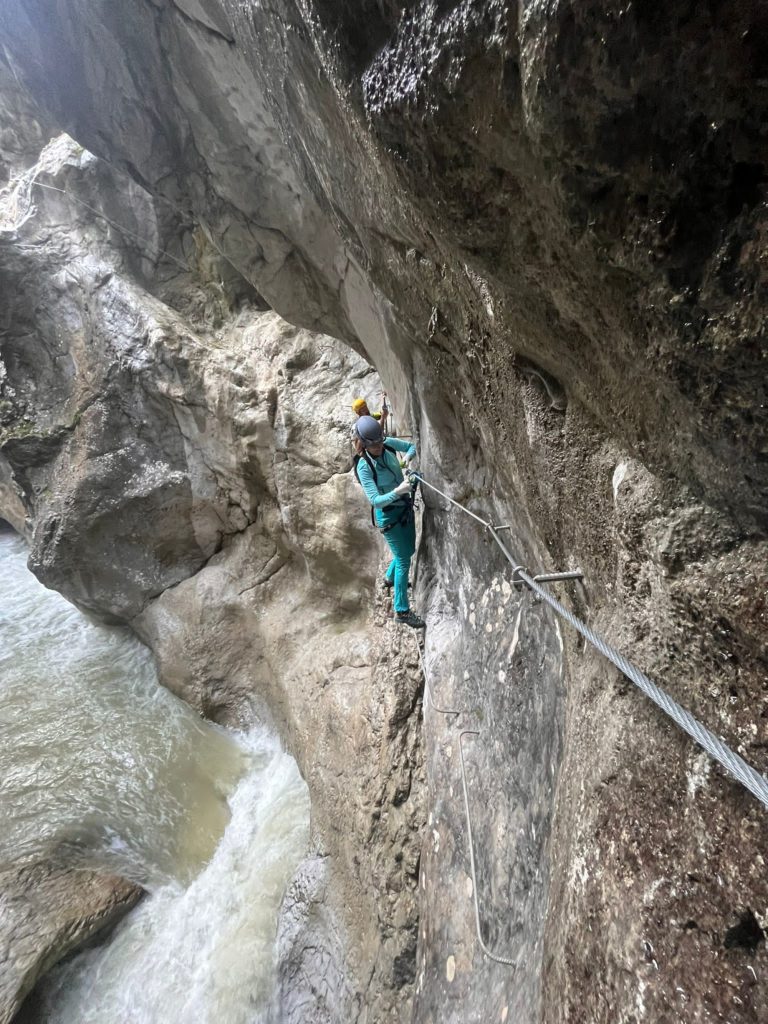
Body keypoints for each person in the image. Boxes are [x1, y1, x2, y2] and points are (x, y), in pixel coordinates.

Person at [353, 415, 425, 629]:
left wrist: (405, 460)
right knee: (404, 560)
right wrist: (397, 491)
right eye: (373, 445)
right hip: (389, 517)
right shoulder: (364, 467)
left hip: (403, 508)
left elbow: (411, 446)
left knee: (407, 551)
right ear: (364, 444)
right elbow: (375, 501)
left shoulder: (386, 444)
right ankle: (401, 610)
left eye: (379, 442)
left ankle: (389, 578)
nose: (378, 447)